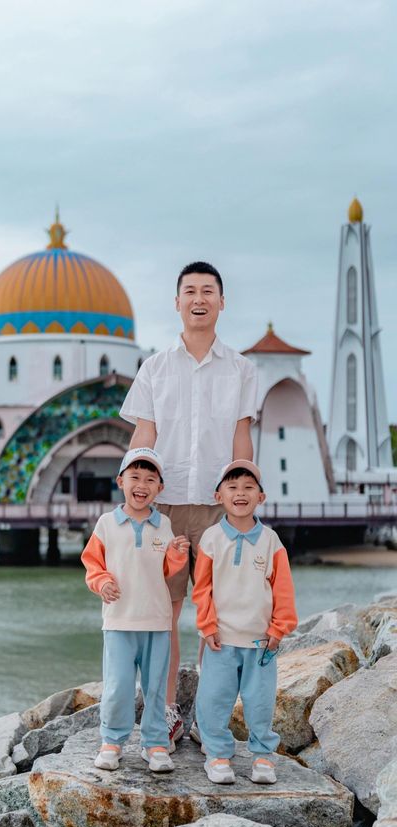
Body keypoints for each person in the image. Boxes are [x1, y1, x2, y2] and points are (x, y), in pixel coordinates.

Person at [119, 260, 258, 745]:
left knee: (217, 612)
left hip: (219, 507)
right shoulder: (154, 368)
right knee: (165, 610)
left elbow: (242, 437)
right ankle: (166, 710)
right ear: (177, 302)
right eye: (190, 291)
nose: (199, 299)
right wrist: (137, 496)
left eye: (208, 291)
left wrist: (242, 498)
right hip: (168, 507)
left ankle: (208, 714)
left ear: (222, 301)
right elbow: (144, 436)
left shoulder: (242, 369)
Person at [81, 447, 190, 773]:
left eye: (150, 479)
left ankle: (155, 744)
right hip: (119, 622)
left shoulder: (164, 524)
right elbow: (91, 564)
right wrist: (101, 583)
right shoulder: (106, 524)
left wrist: (178, 554)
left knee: (156, 686)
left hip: (158, 621)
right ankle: (112, 742)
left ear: (160, 488)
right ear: (120, 481)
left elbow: (168, 570)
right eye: (135, 477)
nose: (141, 485)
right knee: (118, 685)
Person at [192, 460, 298, 784]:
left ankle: (264, 757)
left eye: (249, 487)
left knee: (260, 702)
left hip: (261, 641)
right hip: (221, 639)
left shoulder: (271, 540)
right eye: (232, 487)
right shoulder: (211, 539)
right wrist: (207, 626)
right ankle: (218, 755)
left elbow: (283, 590)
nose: (241, 493)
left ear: (261, 497)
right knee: (213, 698)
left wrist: (279, 628)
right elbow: (202, 589)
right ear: (218, 495)